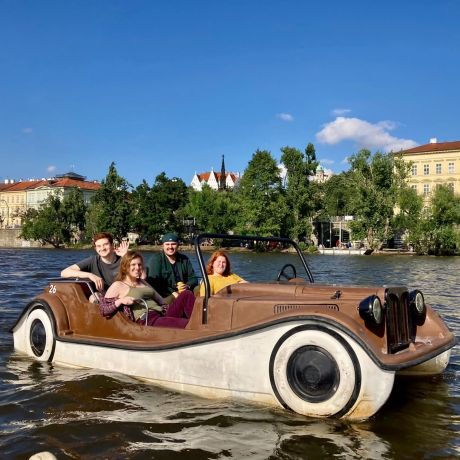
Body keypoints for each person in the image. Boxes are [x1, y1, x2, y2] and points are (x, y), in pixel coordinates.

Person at [99, 251, 195, 328]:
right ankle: (197, 328)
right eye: (133, 265)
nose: (137, 268)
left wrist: (176, 296)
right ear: (125, 267)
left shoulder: (143, 282)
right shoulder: (118, 285)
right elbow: (103, 309)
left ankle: (200, 322)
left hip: (162, 314)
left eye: (139, 265)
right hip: (147, 319)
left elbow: (162, 302)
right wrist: (120, 301)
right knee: (187, 323)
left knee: (187, 294)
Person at [60, 232, 129, 295]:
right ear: (95, 249)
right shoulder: (93, 260)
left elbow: (138, 277)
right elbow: (64, 273)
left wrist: (126, 257)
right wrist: (90, 275)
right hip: (102, 298)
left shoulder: (123, 259)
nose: (102, 248)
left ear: (112, 245)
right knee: (94, 296)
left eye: (105, 244)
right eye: (98, 246)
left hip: (123, 296)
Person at [146, 232, 198, 298]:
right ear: (163, 246)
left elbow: (193, 278)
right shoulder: (156, 259)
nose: (170, 247)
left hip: (184, 292)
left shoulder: (184, 259)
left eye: (173, 244)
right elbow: (154, 282)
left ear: (178, 245)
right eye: (167, 244)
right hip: (165, 295)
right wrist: (173, 292)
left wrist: (187, 286)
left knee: (199, 289)